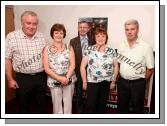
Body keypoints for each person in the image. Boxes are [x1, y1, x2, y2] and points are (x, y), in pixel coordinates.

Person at [5, 11, 47, 113]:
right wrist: (10, 79)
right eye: (28, 23)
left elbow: (46, 56)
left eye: (34, 24)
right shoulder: (11, 37)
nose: (32, 26)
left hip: (41, 77)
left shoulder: (42, 36)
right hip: (23, 78)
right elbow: (6, 59)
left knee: (41, 105)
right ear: (22, 23)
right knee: (24, 106)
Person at [117, 19, 154, 114]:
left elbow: (150, 68)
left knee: (137, 109)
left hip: (138, 84)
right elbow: (119, 63)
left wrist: (141, 80)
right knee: (122, 108)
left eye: (132, 29)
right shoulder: (121, 45)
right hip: (122, 82)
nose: (129, 32)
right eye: (127, 29)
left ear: (137, 30)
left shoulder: (146, 47)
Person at [80, 27, 119, 114]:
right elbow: (82, 67)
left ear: (106, 38)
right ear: (95, 38)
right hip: (92, 82)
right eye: (98, 36)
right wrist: (84, 82)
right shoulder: (89, 49)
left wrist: (113, 81)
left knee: (102, 106)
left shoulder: (111, 51)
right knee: (91, 105)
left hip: (106, 82)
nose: (100, 38)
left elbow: (116, 66)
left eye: (103, 36)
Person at [43, 23, 76, 114]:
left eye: (61, 33)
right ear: (52, 34)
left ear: (64, 34)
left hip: (68, 79)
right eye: (56, 33)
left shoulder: (69, 47)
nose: (59, 35)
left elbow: (72, 65)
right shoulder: (47, 48)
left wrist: (66, 78)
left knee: (68, 103)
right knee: (56, 104)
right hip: (54, 80)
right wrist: (60, 78)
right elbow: (46, 68)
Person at [70, 20, 94, 114]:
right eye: (80, 27)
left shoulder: (93, 40)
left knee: (91, 93)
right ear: (78, 28)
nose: (82, 29)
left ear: (88, 29)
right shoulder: (73, 41)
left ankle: (90, 111)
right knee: (79, 92)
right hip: (78, 71)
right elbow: (71, 57)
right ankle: (79, 112)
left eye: (84, 27)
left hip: (91, 71)